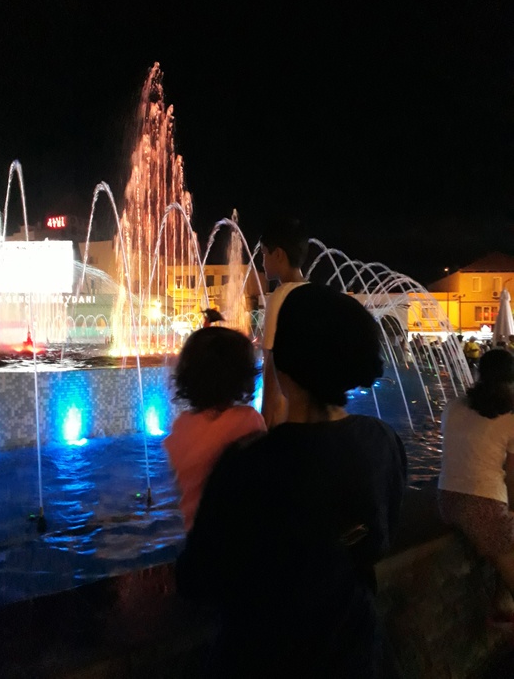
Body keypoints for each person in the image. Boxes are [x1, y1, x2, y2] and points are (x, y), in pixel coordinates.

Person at [175, 284, 407, 678]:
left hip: (263, 657)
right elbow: (377, 539)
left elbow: (199, 577)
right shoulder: (383, 443)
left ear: (280, 368)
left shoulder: (249, 465)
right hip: (355, 649)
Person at [164, 326, 266, 531]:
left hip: (197, 536)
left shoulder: (180, 427)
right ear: (243, 376)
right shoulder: (248, 421)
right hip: (237, 535)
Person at [438, 349, 514, 623]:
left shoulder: (453, 406)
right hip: (483, 507)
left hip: (446, 501)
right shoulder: (510, 419)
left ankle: (503, 605)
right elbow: (512, 478)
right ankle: (503, 606)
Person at [259, 216, 308, 428]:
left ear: (278, 254)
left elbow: (273, 366)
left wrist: (266, 425)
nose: (262, 262)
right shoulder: (312, 293)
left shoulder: (281, 296)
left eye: (263, 254)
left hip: (289, 421)